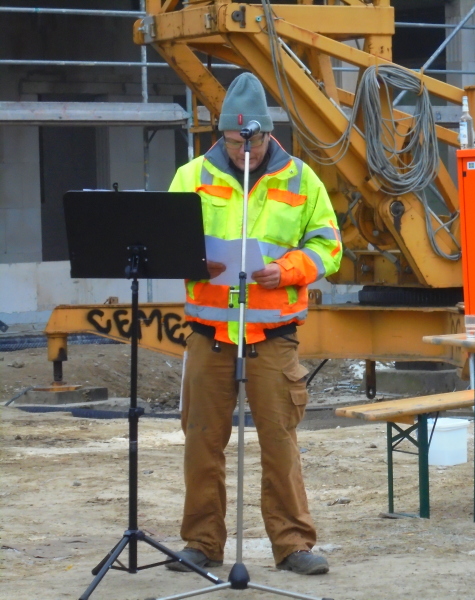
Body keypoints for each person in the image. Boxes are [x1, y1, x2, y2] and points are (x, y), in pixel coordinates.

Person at [166, 72, 341, 575]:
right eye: (235, 140)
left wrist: (285, 270)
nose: (246, 150)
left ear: (268, 133)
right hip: (209, 335)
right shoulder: (191, 176)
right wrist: (194, 261)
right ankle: (202, 543)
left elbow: (328, 246)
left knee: (279, 443)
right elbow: (166, 240)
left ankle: (293, 544)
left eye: (255, 140)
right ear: (221, 135)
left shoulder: (301, 180)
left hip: (273, 338)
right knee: (201, 441)